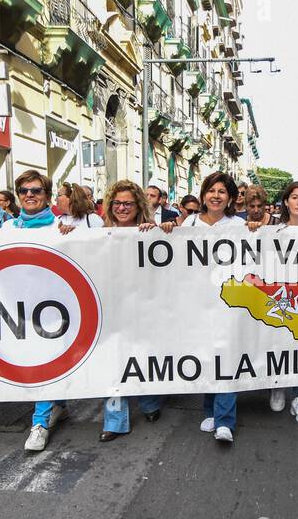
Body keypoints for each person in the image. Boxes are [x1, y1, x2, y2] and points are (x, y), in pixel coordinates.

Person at [161, 171, 245, 443]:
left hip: (230, 302)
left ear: (230, 197)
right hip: (197, 304)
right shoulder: (189, 223)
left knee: (227, 357)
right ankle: (210, 410)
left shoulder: (239, 226)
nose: (216, 196)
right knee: (209, 358)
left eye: (222, 191)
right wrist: (164, 230)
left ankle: (225, 420)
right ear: (204, 195)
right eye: (212, 190)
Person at [5, 170, 70, 452]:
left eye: (36, 191)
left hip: (54, 311)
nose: (29, 195)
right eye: (24, 191)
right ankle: (60, 403)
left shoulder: (61, 229)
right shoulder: (7, 230)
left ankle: (40, 422)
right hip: (16, 309)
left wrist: (74, 238)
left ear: (46, 196)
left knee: (45, 363)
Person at [99, 180, 164, 441]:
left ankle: (149, 401)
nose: (122, 208)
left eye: (128, 203)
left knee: (141, 357)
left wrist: (157, 232)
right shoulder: (96, 233)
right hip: (109, 308)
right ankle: (114, 421)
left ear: (138, 206)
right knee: (112, 360)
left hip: (141, 307)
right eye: (117, 203)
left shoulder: (149, 231)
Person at [261, 181, 298, 424]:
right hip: (281, 293)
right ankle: (277, 385)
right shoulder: (273, 231)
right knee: (279, 341)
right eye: (295, 197)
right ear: (286, 201)